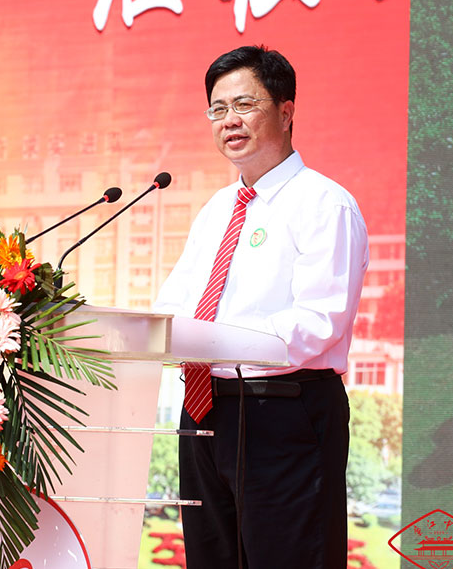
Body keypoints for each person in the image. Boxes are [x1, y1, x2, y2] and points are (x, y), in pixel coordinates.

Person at [153, 45, 369, 568]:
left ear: (286, 112)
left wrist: (216, 341)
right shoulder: (216, 209)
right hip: (204, 409)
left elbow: (318, 322)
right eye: (217, 108)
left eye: (244, 105)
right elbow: (176, 303)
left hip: (283, 411)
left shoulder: (325, 204)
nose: (229, 120)